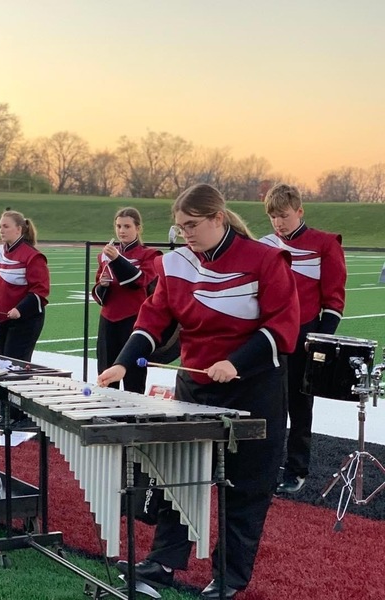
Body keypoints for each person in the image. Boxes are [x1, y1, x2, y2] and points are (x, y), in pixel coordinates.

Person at [98, 183, 299, 600]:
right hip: (195, 384)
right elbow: (152, 319)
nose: (185, 234)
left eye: (192, 225)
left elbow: (283, 327)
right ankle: (165, 561)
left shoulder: (264, 259)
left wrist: (236, 363)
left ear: (218, 219)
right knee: (178, 475)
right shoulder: (175, 265)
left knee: (245, 487)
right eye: (179, 227)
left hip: (254, 387)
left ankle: (229, 576)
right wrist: (122, 360)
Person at [260, 183, 347, 495]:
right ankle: (264, 466)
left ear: (299, 211)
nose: (278, 223)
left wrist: (319, 343)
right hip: (267, 337)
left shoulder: (324, 243)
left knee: (299, 406)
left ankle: (296, 470)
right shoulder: (265, 245)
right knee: (266, 404)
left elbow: (334, 300)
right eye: (272, 217)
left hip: (304, 335)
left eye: (283, 215)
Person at [0, 210, 50, 425]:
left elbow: (40, 292)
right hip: (3, 319)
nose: (1, 230)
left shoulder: (32, 256)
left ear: (19, 229)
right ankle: (8, 412)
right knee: (3, 366)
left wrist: (20, 309)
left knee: (15, 367)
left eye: (6, 226)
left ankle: (17, 414)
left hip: (26, 320)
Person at [92, 207, 161, 393]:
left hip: (135, 320)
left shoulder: (150, 255)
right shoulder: (105, 255)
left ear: (138, 228)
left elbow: (140, 281)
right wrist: (102, 286)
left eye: (127, 226)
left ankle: (133, 419)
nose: (122, 231)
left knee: (134, 377)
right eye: (119, 226)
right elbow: (98, 296)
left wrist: (117, 260)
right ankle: (107, 415)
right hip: (108, 320)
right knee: (106, 374)